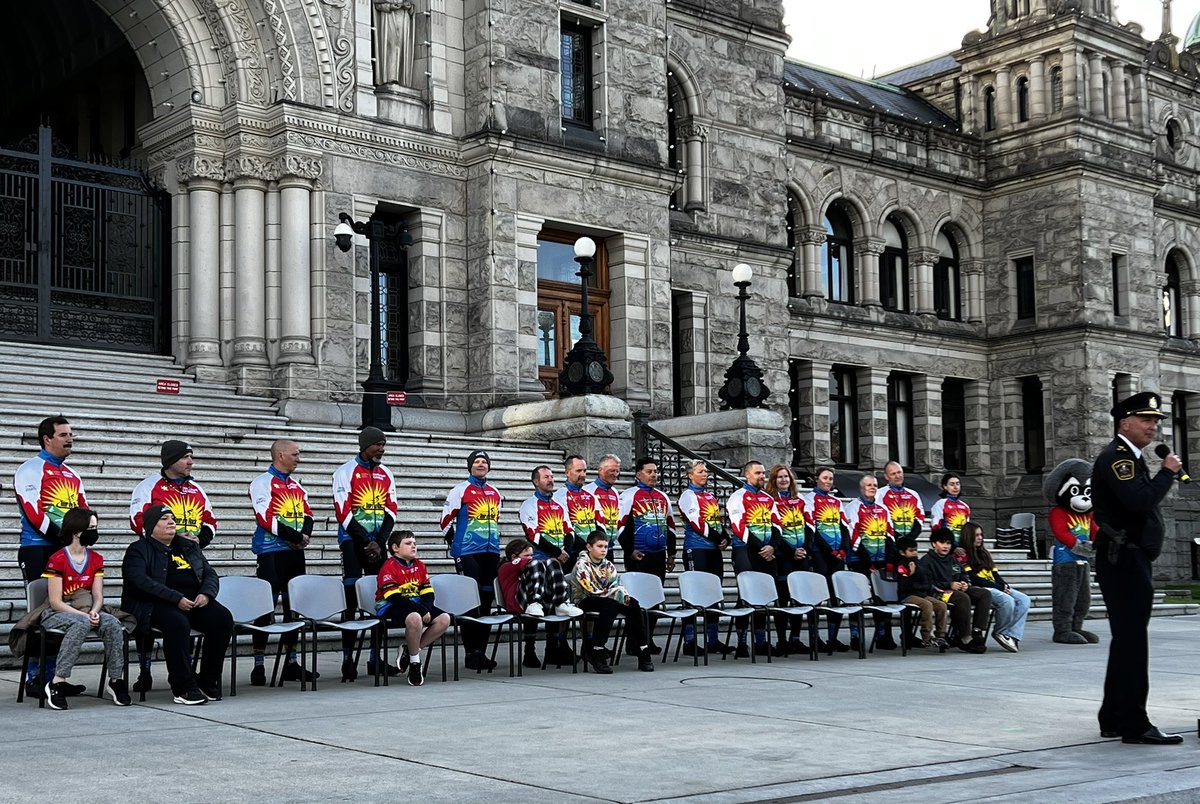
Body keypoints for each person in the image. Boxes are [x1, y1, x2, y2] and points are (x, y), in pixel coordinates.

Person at [1093, 391, 1184, 745]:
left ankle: (1114, 716)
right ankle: (1134, 723)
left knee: (1126, 641)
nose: (1152, 427)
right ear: (1124, 422)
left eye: (1156, 421)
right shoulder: (1119, 458)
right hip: (1124, 559)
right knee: (1133, 644)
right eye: (1146, 420)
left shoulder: (1129, 457)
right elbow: (1138, 501)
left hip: (1129, 558)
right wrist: (1167, 473)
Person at [121, 505, 234, 705]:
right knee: (177, 622)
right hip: (154, 604)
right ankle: (183, 687)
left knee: (222, 619)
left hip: (193, 601)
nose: (171, 522)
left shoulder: (188, 546)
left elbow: (209, 573)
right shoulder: (138, 549)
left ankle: (207, 681)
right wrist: (175, 598)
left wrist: (206, 594)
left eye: (172, 518)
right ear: (150, 526)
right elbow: (140, 582)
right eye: (164, 519)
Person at [15, 415, 88, 697]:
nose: (70, 439)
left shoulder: (73, 475)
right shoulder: (30, 469)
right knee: (42, 609)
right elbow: (35, 514)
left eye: (71, 434)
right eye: (64, 435)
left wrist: (86, 533)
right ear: (47, 438)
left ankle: (55, 677)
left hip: (66, 549)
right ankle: (35, 677)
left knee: (67, 609)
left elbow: (83, 511)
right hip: (38, 548)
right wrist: (67, 539)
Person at [39, 508, 132, 709]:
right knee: (81, 623)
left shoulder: (96, 559)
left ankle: (116, 680)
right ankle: (57, 682)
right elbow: (56, 602)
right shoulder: (58, 559)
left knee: (113, 623)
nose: (94, 532)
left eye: (95, 527)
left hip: (87, 609)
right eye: (91, 528)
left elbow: (98, 595)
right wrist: (84, 615)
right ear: (76, 530)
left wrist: (95, 611)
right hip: (57, 613)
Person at [333, 427, 399, 681]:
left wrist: (379, 542)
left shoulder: (386, 474)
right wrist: (365, 540)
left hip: (377, 542)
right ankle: (348, 659)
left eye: (383, 444)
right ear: (365, 445)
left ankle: (374, 658)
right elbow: (343, 511)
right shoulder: (345, 472)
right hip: (352, 541)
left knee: (379, 599)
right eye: (378, 445)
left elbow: (391, 509)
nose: (382, 449)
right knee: (351, 599)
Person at [249, 439, 316, 686]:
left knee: (293, 608)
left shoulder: (297, 485)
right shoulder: (261, 483)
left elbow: (308, 513)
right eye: (295, 454)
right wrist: (297, 537)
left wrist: (304, 537)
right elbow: (265, 517)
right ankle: (259, 665)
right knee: (265, 607)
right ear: (280, 455)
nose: (299, 458)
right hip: (271, 552)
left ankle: (291, 662)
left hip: (294, 552)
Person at [441, 450, 503, 671]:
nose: (481, 464)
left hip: (490, 551)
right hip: (467, 552)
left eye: (484, 461)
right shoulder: (460, 490)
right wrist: (455, 546)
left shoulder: (495, 492)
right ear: (470, 466)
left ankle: (481, 652)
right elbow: (445, 521)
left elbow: (496, 521)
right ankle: (469, 652)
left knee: (486, 600)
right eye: (477, 461)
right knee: (470, 600)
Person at [519, 465, 585, 666]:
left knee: (559, 603)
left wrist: (565, 550)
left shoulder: (559, 505)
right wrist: (558, 553)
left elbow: (570, 530)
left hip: (559, 562)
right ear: (536, 481)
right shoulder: (528, 505)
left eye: (551, 476)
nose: (551, 480)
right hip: (538, 563)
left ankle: (553, 649)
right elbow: (533, 535)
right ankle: (529, 652)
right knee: (536, 603)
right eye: (546, 477)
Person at [570, 532, 655, 673]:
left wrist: (622, 595)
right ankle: (597, 650)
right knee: (610, 604)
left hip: (607, 597)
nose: (603, 550)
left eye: (606, 546)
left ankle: (643, 648)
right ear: (589, 547)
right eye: (599, 546)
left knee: (632, 603)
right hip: (585, 599)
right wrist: (615, 594)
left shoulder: (608, 565)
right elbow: (591, 589)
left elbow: (614, 585)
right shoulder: (581, 565)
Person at [375, 530, 450, 687]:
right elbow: (393, 597)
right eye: (408, 544)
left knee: (444, 619)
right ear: (395, 548)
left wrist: (426, 608)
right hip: (390, 605)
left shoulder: (420, 566)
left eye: (415, 543)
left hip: (416, 604)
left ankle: (409, 651)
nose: (413, 546)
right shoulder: (388, 566)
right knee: (415, 617)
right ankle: (415, 663)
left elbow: (428, 593)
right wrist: (422, 611)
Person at [618, 457, 675, 654]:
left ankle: (647, 639)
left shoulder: (662, 496)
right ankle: (634, 642)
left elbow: (671, 526)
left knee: (655, 599)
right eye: (649, 472)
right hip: (638, 555)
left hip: (658, 555)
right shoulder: (628, 495)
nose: (654, 475)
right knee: (637, 601)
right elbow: (620, 525)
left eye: (655, 472)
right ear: (638, 474)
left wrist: (672, 554)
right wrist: (629, 550)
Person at [727, 460, 782, 657]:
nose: (762, 476)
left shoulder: (768, 498)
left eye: (763, 473)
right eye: (758, 473)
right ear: (747, 475)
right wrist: (762, 547)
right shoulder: (737, 497)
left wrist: (772, 546)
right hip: (746, 551)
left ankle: (761, 641)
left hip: (767, 552)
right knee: (747, 596)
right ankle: (741, 641)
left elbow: (777, 525)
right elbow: (739, 528)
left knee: (764, 597)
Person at [497, 537, 582, 667]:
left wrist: (551, 565)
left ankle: (561, 603)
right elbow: (527, 564)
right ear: (514, 556)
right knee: (537, 565)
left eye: (532, 555)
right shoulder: (506, 566)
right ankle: (529, 651)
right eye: (527, 555)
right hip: (518, 603)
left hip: (535, 605)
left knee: (553, 562)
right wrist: (537, 563)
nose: (531, 557)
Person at [678, 459, 731, 657]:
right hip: (696, 548)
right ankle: (690, 641)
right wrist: (719, 538)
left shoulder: (709, 496)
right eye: (701, 471)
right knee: (693, 594)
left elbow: (715, 522)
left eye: (706, 471)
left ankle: (713, 639)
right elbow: (698, 523)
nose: (705, 474)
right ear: (690, 475)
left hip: (713, 549)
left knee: (714, 594)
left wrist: (725, 537)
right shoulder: (688, 495)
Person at [843, 474, 897, 650]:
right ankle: (855, 636)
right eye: (868, 485)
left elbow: (890, 535)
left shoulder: (883, 509)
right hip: (859, 561)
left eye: (875, 485)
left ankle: (883, 635)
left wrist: (889, 561)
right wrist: (869, 563)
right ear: (861, 488)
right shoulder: (852, 508)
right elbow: (854, 538)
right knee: (856, 599)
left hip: (880, 560)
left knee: (882, 599)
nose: (872, 487)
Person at [130, 440, 217, 548]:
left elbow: (210, 522)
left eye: (191, 457)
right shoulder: (148, 486)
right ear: (171, 461)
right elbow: (137, 521)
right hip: (158, 554)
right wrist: (173, 539)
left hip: (191, 555)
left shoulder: (197, 489)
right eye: (185, 457)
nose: (190, 462)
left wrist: (199, 540)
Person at [961, 521, 1030, 653]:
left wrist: (1004, 585)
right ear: (968, 536)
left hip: (995, 586)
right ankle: (1000, 631)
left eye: (981, 535)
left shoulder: (985, 553)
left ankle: (1011, 634)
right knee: (1007, 600)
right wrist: (999, 587)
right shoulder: (963, 554)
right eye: (976, 535)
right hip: (980, 589)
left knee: (1024, 599)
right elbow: (974, 579)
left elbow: (995, 574)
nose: (980, 538)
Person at [917, 528, 990, 654]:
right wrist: (949, 585)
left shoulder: (953, 560)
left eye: (949, 543)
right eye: (942, 542)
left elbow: (963, 574)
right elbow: (926, 584)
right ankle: (964, 637)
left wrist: (965, 583)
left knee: (984, 594)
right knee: (962, 598)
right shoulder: (926, 561)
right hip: (938, 593)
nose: (946, 546)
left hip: (956, 590)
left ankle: (977, 631)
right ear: (934, 543)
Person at [801, 466, 850, 651]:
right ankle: (815, 637)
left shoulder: (836, 501)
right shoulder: (809, 500)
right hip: (820, 553)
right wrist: (829, 550)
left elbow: (844, 526)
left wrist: (844, 548)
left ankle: (833, 637)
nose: (828, 481)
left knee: (836, 597)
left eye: (831, 478)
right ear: (817, 479)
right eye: (825, 478)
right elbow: (812, 528)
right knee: (819, 596)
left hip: (838, 554)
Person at [766, 463, 809, 655]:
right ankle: (782, 640)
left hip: (800, 556)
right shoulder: (770, 502)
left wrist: (804, 549)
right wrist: (791, 550)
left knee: (799, 599)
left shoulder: (800, 500)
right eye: (779, 477)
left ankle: (796, 639)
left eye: (786, 477)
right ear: (773, 481)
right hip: (783, 556)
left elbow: (810, 527)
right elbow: (775, 531)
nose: (783, 480)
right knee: (783, 599)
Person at [893, 536, 948, 650]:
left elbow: (927, 578)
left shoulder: (919, 563)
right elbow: (903, 585)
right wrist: (911, 574)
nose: (914, 553)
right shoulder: (902, 565)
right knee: (927, 605)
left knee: (941, 605)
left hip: (921, 594)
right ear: (902, 553)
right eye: (911, 551)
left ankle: (940, 635)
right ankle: (926, 636)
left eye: (915, 550)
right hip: (907, 595)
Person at [583, 454, 622, 562]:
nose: (615, 474)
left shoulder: (615, 492)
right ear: (600, 470)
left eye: (617, 471)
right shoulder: (588, 491)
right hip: (593, 550)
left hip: (609, 548)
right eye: (612, 470)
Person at [878, 461, 925, 542]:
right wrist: (897, 537)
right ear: (886, 476)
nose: (897, 476)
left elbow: (920, 517)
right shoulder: (879, 494)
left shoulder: (913, 494)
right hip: (889, 542)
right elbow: (879, 519)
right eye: (893, 474)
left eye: (899, 472)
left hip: (910, 542)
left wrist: (911, 537)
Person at [929, 472, 971, 546]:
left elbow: (967, 530)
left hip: (963, 546)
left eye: (957, 484)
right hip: (946, 545)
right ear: (945, 486)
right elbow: (935, 527)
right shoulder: (940, 504)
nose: (955, 487)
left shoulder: (965, 506)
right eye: (952, 484)